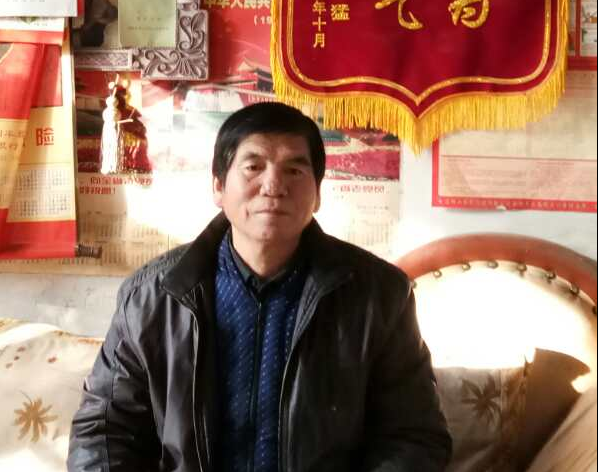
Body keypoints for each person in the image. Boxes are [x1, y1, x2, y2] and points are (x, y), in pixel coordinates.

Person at [68, 101, 451, 472]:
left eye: (294, 170)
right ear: (218, 186)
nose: (274, 185)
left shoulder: (379, 296)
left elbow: (413, 435)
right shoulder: (154, 295)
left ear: (317, 193)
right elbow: (105, 429)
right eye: (253, 167)